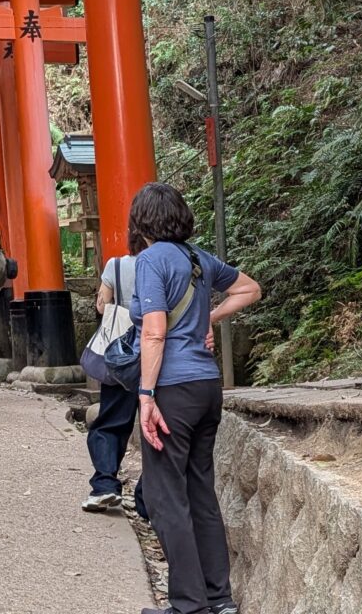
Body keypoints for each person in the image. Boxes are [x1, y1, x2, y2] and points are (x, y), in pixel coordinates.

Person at [129, 183, 261, 614]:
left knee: (165, 497)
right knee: (200, 491)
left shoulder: (150, 260)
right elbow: (250, 289)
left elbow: (154, 332)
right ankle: (219, 599)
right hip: (207, 387)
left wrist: (146, 394)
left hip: (172, 390)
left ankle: (189, 605)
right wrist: (210, 317)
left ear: (141, 221)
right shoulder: (198, 258)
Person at [82, 253, 148, 518]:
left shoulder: (117, 265)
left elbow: (102, 305)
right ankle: (147, 499)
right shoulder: (171, 262)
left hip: (123, 357)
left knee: (111, 421)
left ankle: (105, 484)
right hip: (163, 356)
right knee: (160, 429)